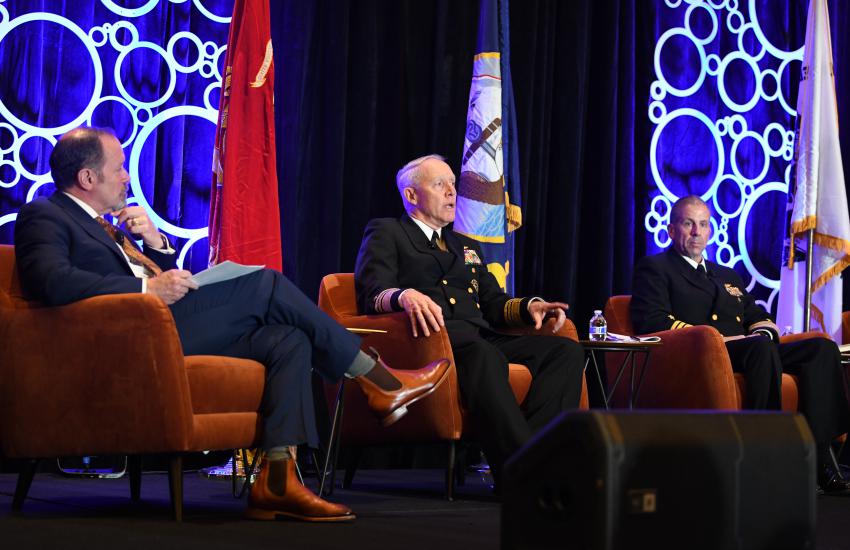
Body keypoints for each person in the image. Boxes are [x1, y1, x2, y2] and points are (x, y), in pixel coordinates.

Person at [13, 127, 452, 522]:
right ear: (88, 179)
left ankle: (277, 482)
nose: (127, 177)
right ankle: (377, 380)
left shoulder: (110, 227)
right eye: (119, 168)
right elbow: (51, 282)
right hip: (127, 341)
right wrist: (149, 293)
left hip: (160, 328)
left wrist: (155, 244)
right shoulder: (45, 216)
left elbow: (153, 276)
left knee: (288, 338)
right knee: (265, 284)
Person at [354, 154, 585, 482]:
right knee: (482, 354)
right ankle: (520, 476)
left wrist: (529, 306)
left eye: (452, 183)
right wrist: (403, 295)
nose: (452, 192)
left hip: (479, 337)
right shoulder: (388, 232)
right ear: (411, 195)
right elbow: (372, 291)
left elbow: (492, 303)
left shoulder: (465, 245)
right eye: (440, 184)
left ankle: (534, 456)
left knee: (565, 352)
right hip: (433, 341)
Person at [630, 195, 850, 493]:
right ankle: (765, 453)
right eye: (688, 223)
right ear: (671, 230)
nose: (696, 231)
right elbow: (651, 319)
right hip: (701, 353)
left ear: (710, 231)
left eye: (703, 224)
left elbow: (756, 315)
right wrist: (715, 339)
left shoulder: (726, 274)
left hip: (748, 349)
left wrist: (765, 334)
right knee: (758, 348)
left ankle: (821, 457)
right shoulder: (656, 268)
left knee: (820, 349)